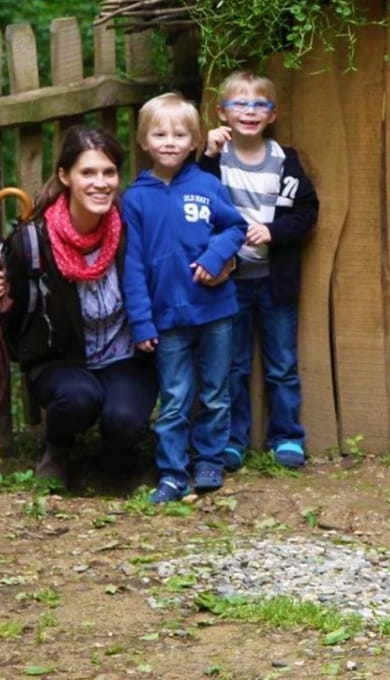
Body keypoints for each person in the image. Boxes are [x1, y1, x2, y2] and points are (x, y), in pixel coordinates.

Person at [0, 125, 153, 487]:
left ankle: (115, 458)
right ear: (65, 176)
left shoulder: (131, 226)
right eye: (88, 173)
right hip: (59, 359)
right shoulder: (34, 239)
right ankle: (57, 448)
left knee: (124, 419)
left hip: (124, 355)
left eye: (109, 172)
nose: (101, 183)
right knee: (79, 398)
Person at [120, 92, 247, 504]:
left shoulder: (207, 186)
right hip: (166, 318)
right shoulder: (134, 199)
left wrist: (214, 257)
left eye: (179, 134)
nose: (170, 142)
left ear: (194, 141)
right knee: (174, 397)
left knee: (215, 391)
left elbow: (235, 227)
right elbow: (132, 266)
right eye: (160, 134)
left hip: (215, 311)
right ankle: (172, 473)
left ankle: (209, 459)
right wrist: (141, 322)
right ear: (144, 141)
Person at [200, 71, 320, 471]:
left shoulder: (286, 161)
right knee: (232, 366)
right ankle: (233, 441)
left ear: (272, 115)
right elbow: (197, 201)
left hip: (274, 281)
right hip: (228, 284)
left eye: (259, 104)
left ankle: (287, 437)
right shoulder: (217, 160)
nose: (249, 111)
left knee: (282, 364)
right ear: (222, 113)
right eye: (240, 103)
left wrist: (272, 231)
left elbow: (307, 211)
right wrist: (209, 154)